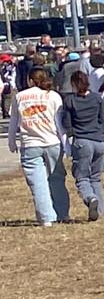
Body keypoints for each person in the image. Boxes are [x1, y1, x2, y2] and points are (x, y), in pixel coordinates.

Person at [7, 67, 70, 226]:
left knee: (37, 183)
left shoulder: (20, 97)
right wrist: (66, 144)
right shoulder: (54, 96)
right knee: (57, 178)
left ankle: (46, 218)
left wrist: (12, 141)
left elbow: (14, 119)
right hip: (53, 142)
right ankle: (62, 213)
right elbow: (59, 124)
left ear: (29, 80)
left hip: (30, 144)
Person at [60, 66, 104, 221]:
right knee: (96, 177)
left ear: (74, 84)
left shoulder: (70, 101)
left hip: (82, 141)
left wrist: (71, 134)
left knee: (82, 177)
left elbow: (66, 123)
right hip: (99, 142)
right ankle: (99, 210)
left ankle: (90, 198)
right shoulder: (97, 98)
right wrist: (100, 133)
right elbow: (103, 119)